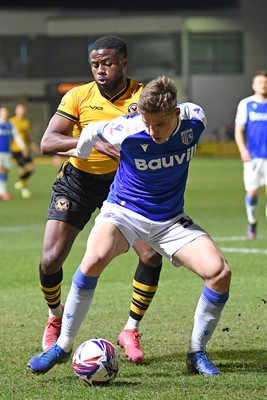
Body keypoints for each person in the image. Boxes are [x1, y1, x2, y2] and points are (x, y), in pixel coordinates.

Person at [28, 76, 231, 376]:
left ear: (175, 115)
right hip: (123, 211)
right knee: (93, 259)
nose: (151, 132)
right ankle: (64, 345)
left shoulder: (194, 119)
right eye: (146, 124)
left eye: (158, 125)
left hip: (170, 219)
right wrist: (81, 152)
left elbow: (189, 113)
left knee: (219, 273)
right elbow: (93, 130)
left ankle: (196, 352)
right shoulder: (128, 127)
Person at [35, 35, 162, 364]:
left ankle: (131, 328)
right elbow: (48, 141)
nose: (100, 70)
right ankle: (55, 316)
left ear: (124, 62)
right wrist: (91, 141)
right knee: (50, 261)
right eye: (95, 64)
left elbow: (162, 133)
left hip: (124, 186)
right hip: (77, 181)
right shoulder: (79, 95)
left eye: (107, 63)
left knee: (150, 255)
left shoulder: (143, 95)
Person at [235, 70, 267, 239]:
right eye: (260, 82)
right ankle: (252, 222)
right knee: (252, 193)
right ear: (254, 85)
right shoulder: (246, 104)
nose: (263, 85)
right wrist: (242, 150)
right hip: (253, 157)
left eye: (265, 82)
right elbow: (239, 129)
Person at [10, 103, 39, 199]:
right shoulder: (12, 121)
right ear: (16, 111)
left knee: (32, 168)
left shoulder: (26, 122)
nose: (21, 112)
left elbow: (27, 136)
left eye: (23, 110)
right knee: (22, 168)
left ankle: (21, 181)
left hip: (25, 149)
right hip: (15, 149)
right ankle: (24, 189)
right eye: (20, 110)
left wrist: (32, 145)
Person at [0, 106, 28, 200]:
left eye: (5, 112)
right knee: (1, 170)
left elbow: (16, 137)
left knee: (5, 171)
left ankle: (3, 192)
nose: (4, 114)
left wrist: (23, 147)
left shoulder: (10, 125)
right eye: (2, 112)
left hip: (7, 152)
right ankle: (2, 192)